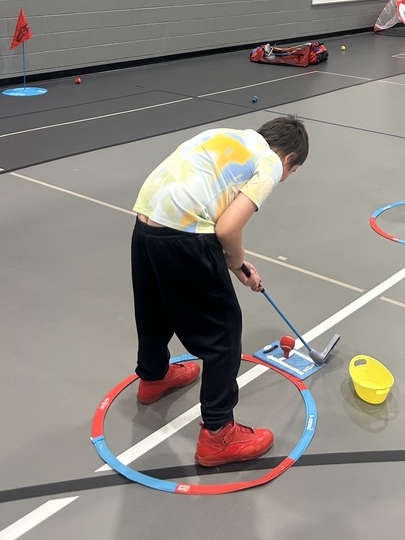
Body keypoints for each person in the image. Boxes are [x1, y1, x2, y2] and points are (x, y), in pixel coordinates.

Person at [130, 115, 309, 467]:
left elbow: (215, 214)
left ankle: (153, 377)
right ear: (289, 159)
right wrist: (235, 256)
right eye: (292, 171)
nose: (284, 177)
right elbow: (227, 228)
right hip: (183, 233)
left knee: (155, 308)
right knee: (224, 332)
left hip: (146, 222)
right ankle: (218, 434)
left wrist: (236, 264)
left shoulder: (230, 137)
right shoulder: (271, 162)